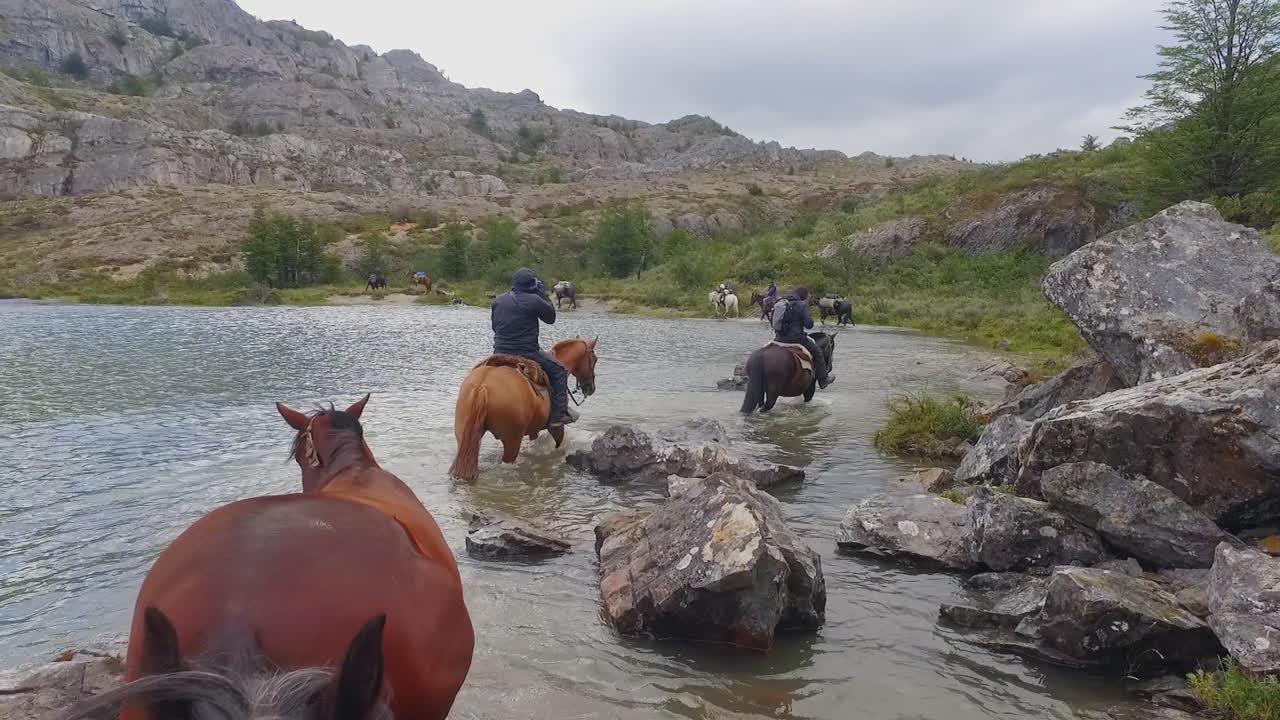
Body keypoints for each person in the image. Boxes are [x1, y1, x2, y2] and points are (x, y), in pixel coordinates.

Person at [492, 268, 576, 428]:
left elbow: (495, 327)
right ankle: (558, 416)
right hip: (527, 352)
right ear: (532, 285)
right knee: (559, 370)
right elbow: (551, 318)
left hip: (498, 351)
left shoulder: (498, 300)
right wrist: (543, 295)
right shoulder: (534, 300)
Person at [772, 287, 833, 389]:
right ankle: (823, 380)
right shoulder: (802, 305)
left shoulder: (781, 303)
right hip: (797, 339)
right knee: (817, 352)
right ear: (803, 296)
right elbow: (809, 325)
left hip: (779, 339)